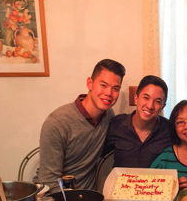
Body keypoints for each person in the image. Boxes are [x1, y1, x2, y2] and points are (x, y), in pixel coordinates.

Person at [39, 59, 126, 193]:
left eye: (115, 88)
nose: (109, 93)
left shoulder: (108, 115)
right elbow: (49, 181)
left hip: (89, 198)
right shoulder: (58, 122)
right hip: (56, 198)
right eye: (103, 85)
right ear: (89, 83)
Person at [105, 75, 172, 168]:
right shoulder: (116, 125)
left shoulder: (170, 130)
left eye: (157, 101)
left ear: (163, 106)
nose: (150, 106)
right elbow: (95, 153)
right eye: (146, 98)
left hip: (157, 182)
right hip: (122, 181)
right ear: (136, 98)